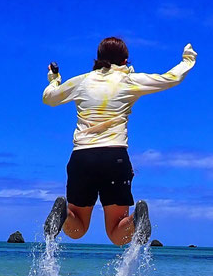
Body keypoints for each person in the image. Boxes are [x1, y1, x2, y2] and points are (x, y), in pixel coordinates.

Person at [41, 37, 196, 245]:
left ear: (98, 58)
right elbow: (169, 78)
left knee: (77, 229)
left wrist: (54, 79)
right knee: (117, 233)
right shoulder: (129, 80)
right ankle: (136, 220)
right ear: (125, 61)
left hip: (82, 157)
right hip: (115, 158)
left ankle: (64, 214)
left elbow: (49, 98)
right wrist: (187, 60)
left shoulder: (81, 81)